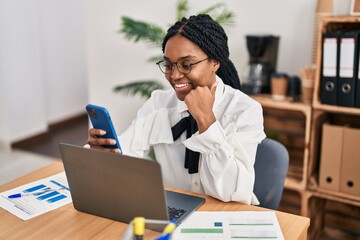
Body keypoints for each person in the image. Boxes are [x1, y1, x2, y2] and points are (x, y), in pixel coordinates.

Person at [87, 14, 266, 204]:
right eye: (169, 65)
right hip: (173, 213)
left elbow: (232, 192)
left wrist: (206, 120)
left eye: (186, 65)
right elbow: (128, 151)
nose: (175, 75)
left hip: (226, 216)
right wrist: (107, 155)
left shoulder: (245, 111)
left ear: (215, 63)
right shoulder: (159, 104)